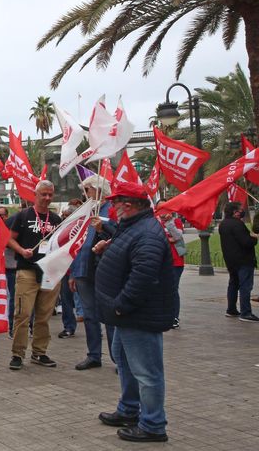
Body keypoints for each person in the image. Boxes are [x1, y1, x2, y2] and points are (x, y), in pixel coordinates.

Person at [94, 182, 174, 443]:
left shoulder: (147, 232)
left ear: (127, 205)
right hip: (125, 315)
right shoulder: (132, 227)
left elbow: (143, 276)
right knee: (124, 361)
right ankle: (129, 409)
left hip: (138, 315)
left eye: (116, 203)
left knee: (146, 372)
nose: (113, 208)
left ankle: (153, 425)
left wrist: (120, 304)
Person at [6, 180, 62, 370]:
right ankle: (17, 354)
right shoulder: (23, 216)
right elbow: (9, 239)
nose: (47, 198)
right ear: (35, 195)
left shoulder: (56, 219)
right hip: (27, 271)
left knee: (43, 316)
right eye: (43, 194)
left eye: (50, 195)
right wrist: (21, 251)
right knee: (22, 314)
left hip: (49, 273)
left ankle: (39, 352)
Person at [69, 175, 117, 370]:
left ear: (98, 190)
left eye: (87, 190)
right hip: (83, 269)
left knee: (110, 316)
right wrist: (73, 272)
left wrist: (103, 227)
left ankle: (117, 358)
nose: (84, 194)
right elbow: (75, 243)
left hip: (103, 270)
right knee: (89, 315)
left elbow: (119, 235)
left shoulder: (111, 210)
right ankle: (94, 355)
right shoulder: (84, 211)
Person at [219, 201, 259, 322]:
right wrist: (254, 238)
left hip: (231, 260)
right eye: (240, 210)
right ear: (235, 212)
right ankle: (246, 313)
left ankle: (231, 309)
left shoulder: (223, 224)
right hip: (244, 260)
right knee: (245, 286)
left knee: (233, 284)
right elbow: (246, 242)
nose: (242, 211)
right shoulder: (237, 224)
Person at [156, 200, 185, 328]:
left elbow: (178, 237)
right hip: (160, 260)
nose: (163, 211)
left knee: (173, 289)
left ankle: (174, 317)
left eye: (165, 208)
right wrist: (169, 239)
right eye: (160, 208)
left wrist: (169, 224)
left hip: (176, 261)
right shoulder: (155, 222)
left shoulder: (175, 221)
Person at [57, 198, 83, 339]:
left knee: (86, 299)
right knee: (66, 300)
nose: (64, 218)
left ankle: (94, 325)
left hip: (80, 268)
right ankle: (69, 327)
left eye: (67, 216)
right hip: (65, 269)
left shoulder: (82, 228)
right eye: (64, 216)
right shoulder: (61, 228)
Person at [0, 206, 18, 337]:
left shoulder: (13, 229)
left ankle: (13, 327)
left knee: (14, 299)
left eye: (1, 215)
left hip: (13, 269)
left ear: (6, 216)